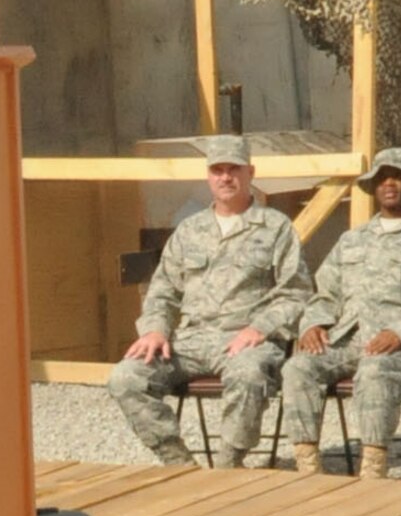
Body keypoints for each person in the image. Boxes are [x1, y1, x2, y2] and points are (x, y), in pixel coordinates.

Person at [108, 136, 311, 468]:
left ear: (251, 173)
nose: (226, 177)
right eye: (218, 170)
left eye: (234, 169)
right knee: (125, 378)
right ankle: (179, 465)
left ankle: (228, 467)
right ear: (208, 176)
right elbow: (162, 291)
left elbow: (297, 293)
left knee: (248, 375)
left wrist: (260, 328)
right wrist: (155, 331)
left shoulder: (276, 228)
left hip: (245, 341)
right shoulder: (189, 231)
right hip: (189, 340)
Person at [281, 147, 401, 479]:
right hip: (347, 338)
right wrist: (314, 323)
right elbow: (325, 292)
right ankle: (307, 466)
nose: (389, 184)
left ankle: (373, 467)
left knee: (376, 372)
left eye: (398, 177)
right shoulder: (352, 240)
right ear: (373, 188)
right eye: (381, 178)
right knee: (299, 367)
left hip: (400, 346)